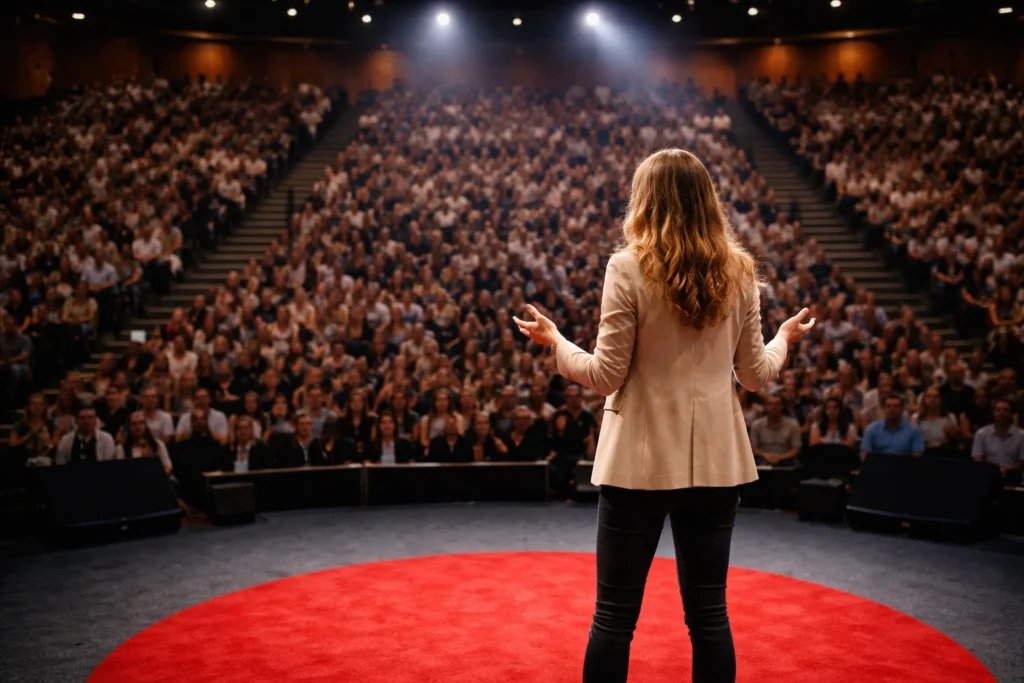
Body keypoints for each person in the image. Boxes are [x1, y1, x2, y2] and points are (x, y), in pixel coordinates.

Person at [513, 149, 814, 683]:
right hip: (717, 467)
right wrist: (784, 340)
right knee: (709, 618)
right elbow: (754, 374)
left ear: (644, 200)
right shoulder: (740, 271)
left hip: (638, 467)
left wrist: (556, 342)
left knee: (613, 620)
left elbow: (605, 375)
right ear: (708, 201)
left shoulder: (626, 267)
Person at [971, 399, 1024, 484]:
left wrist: (1008, 469)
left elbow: (1022, 462)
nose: (1001, 413)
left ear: (1011, 414)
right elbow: (977, 458)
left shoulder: (1021, 435)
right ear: (993, 413)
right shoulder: (981, 433)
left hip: (1012, 476)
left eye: (1005, 410)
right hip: (987, 476)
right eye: (998, 410)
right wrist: (993, 470)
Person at [749, 394, 803, 466]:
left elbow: (796, 448)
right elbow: (753, 449)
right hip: (762, 459)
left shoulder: (793, 424)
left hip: (786, 459)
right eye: (770, 404)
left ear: (782, 406)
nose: (774, 407)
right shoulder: (756, 425)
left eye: (777, 404)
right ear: (766, 407)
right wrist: (766, 456)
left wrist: (780, 457)